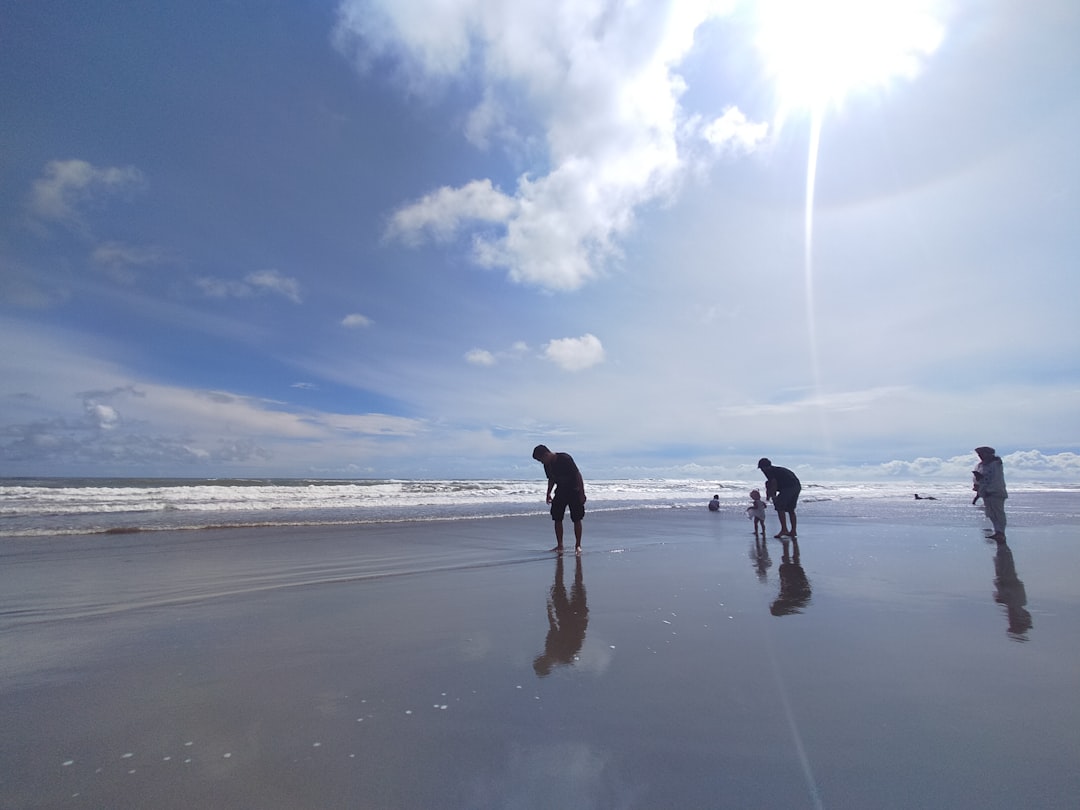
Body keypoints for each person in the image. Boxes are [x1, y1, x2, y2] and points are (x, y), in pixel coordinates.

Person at [532, 444, 586, 553]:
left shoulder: (565, 458)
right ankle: (560, 545)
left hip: (574, 490)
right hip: (561, 491)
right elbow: (551, 479)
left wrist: (582, 493)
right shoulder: (547, 465)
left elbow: (577, 475)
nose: (541, 463)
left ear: (546, 454)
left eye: (541, 460)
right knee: (557, 517)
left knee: (576, 518)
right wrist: (548, 493)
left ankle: (578, 545)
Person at [757, 458, 801, 539]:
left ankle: (784, 529)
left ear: (766, 467)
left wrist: (773, 497)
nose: (762, 470)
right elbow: (770, 484)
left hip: (789, 487)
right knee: (791, 510)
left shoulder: (769, 471)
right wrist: (769, 495)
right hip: (796, 486)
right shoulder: (776, 470)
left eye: (762, 468)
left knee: (780, 507)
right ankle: (793, 531)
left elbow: (774, 484)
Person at [972, 446, 1008, 542]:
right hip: (986, 492)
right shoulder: (981, 465)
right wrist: (977, 484)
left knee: (998, 513)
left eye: (982, 454)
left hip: (995, 492)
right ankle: (998, 532)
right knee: (991, 514)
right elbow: (979, 479)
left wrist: (984, 482)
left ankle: (1001, 533)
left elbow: (993, 478)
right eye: (979, 454)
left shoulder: (995, 464)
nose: (980, 456)